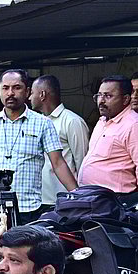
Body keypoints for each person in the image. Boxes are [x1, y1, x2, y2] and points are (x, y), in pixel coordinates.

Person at [0, 69, 78, 231]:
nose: (10, 93)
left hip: (29, 207)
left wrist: (77, 195)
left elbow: (58, 163)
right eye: (5, 88)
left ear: (27, 91)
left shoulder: (43, 123)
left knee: (27, 255)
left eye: (17, 87)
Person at [79, 75, 138, 194]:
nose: (101, 101)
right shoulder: (102, 121)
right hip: (91, 197)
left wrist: (133, 203)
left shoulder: (135, 125)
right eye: (99, 95)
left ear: (125, 99)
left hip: (115, 200)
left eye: (108, 96)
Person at [30, 74, 90, 210]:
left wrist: (80, 197)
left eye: (32, 93)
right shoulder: (37, 122)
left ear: (42, 95)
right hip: (38, 200)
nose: (29, 97)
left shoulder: (72, 121)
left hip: (63, 200)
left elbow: (82, 162)